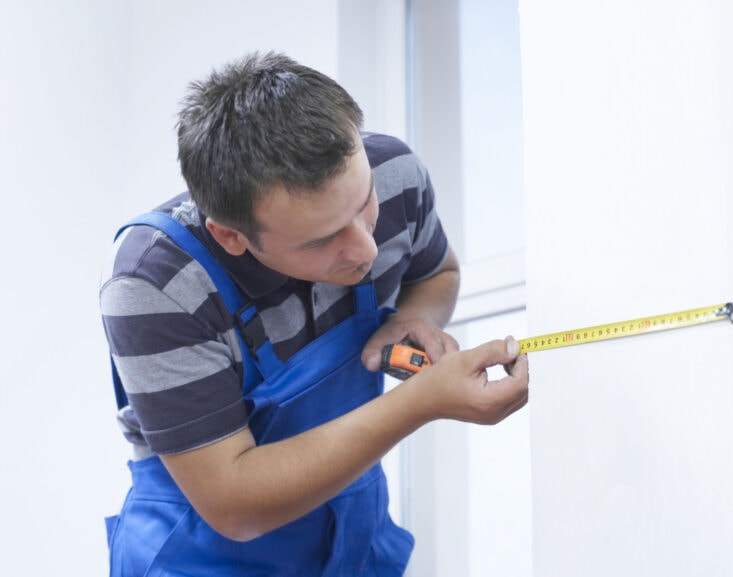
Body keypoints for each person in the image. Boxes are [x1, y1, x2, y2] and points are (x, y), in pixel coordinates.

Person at [100, 51, 529, 577]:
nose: (367, 249)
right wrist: (420, 403)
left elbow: (437, 273)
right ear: (231, 237)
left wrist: (411, 318)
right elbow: (234, 504)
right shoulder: (155, 282)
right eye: (323, 240)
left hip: (351, 541)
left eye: (364, 204)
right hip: (203, 555)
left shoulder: (394, 174)